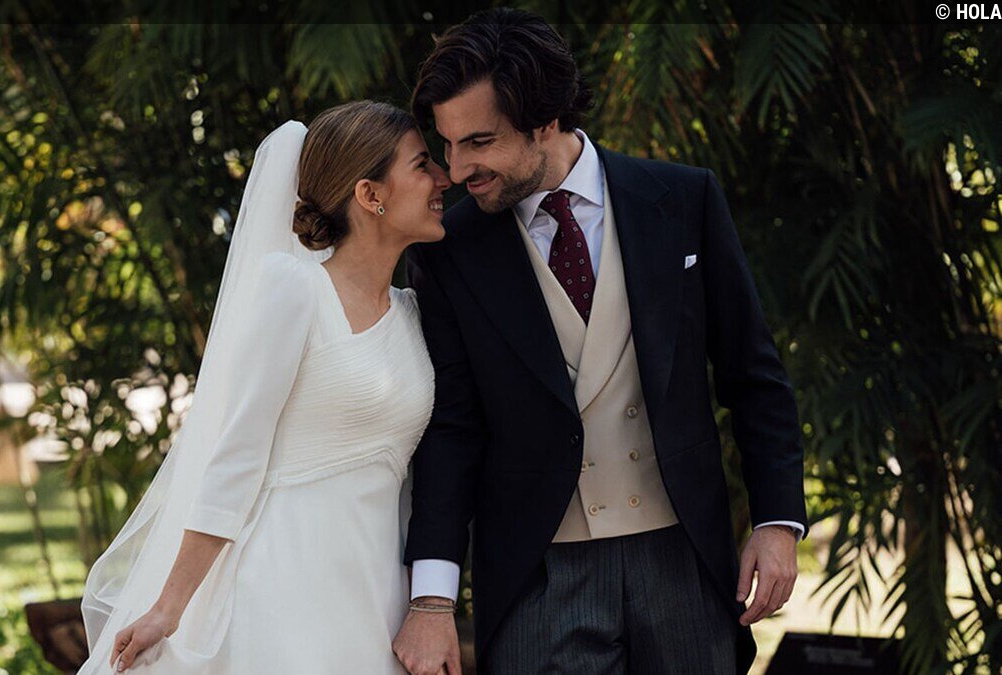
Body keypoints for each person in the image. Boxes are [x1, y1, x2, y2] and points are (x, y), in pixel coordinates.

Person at [391, 9, 808, 675]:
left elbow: (752, 376)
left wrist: (777, 521)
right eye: (447, 144)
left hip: (684, 562)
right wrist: (433, 599)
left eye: (479, 142)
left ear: (545, 120)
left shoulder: (684, 200)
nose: (457, 169)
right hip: (537, 578)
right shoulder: (450, 251)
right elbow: (452, 431)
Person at [77, 100, 451, 673]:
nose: (443, 178)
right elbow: (237, 455)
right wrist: (169, 607)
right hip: (282, 585)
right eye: (422, 164)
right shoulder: (295, 289)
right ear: (370, 194)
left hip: (374, 595)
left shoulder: (414, 313)